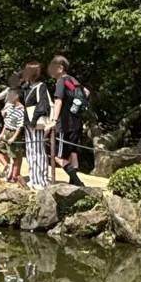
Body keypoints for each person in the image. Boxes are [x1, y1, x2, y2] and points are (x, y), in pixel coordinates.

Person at [49, 55, 88, 187]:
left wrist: (54, 120)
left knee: (58, 157)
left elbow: (58, 100)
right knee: (73, 153)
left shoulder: (61, 81)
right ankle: (73, 183)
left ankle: (77, 182)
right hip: (77, 122)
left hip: (64, 124)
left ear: (60, 68)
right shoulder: (73, 80)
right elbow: (86, 93)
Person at [18, 60, 54, 189]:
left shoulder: (41, 86)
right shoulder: (27, 87)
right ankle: (33, 178)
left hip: (36, 122)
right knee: (30, 150)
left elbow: (42, 105)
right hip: (28, 122)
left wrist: (33, 120)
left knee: (38, 151)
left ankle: (41, 180)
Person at [0, 85, 27, 183]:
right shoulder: (10, 106)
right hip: (6, 131)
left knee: (15, 156)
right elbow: (6, 121)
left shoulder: (21, 109)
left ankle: (14, 177)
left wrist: (14, 137)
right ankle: (7, 166)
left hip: (14, 133)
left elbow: (19, 126)